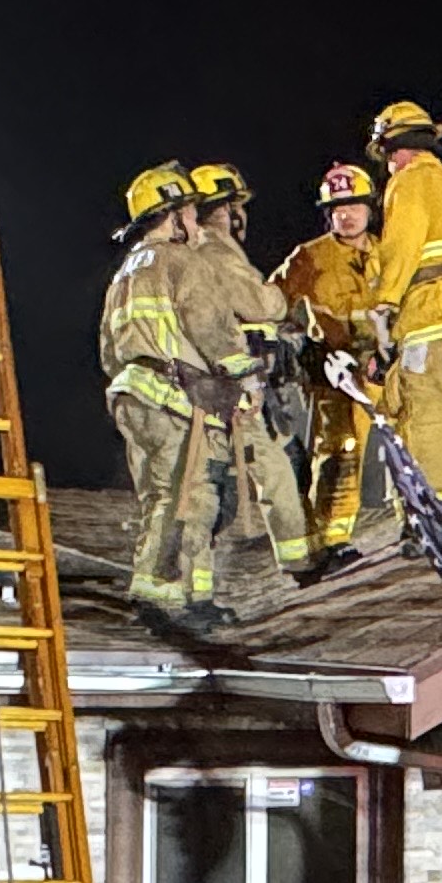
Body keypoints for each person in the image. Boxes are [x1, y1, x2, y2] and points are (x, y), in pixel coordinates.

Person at [170, 162, 308, 605]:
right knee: (267, 466)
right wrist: (281, 299)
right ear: (223, 210)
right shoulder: (216, 250)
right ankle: (299, 559)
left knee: (225, 475)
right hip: (232, 385)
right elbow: (258, 302)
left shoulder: (196, 252)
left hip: (213, 383)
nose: (239, 216)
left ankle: (199, 578)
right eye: (234, 207)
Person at [98, 165, 217, 616]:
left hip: (130, 392)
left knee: (156, 495)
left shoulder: (123, 274)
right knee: (185, 493)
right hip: (169, 392)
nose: (194, 220)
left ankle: (167, 583)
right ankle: (162, 588)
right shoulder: (175, 259)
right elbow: (206, 326)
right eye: (189, 210)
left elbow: (109, 350)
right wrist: (234, 373)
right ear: (172, 214)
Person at [361, 99, 442, 506]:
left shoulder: (408, 182)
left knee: (424, 426)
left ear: (393, 150)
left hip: (429, 315)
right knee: (429, 414)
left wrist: (384, 302)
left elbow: (401, 247)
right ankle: (428, 514)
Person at [272, 159, 389, 557]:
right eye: (337, 210)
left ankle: (414, 519)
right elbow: (270, 303)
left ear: (369, 208)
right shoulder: (310, 257)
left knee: (407, 442)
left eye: (354, 206)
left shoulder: (387, 252)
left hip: (384, 366)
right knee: (340, 450)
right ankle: (332, 538)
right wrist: (295, 341)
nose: (347, 215)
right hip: (336, 370)